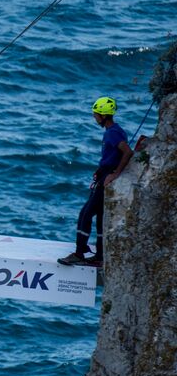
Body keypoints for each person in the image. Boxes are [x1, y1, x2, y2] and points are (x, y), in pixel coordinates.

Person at [58, 97, 131, 268]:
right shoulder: (117, 130)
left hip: (107, 178)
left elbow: (127, 152)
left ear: (104, 116)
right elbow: (115, 155)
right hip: (104, 174)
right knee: (99, 218)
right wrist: (101, 170)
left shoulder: (112, 133)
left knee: (85, 213)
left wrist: (114, 174)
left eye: (96, 115)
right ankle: (99, 256)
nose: (94, 117)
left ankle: (79, 253)